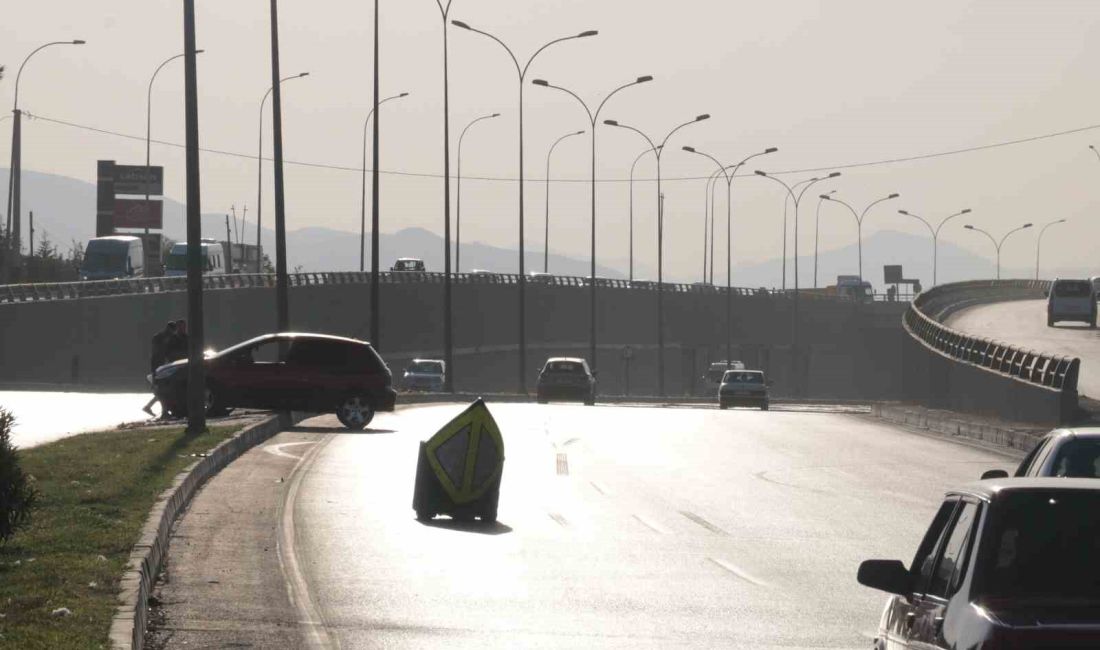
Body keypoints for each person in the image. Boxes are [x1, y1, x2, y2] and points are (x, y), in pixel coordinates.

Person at [143, 322, 177, 416]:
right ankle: (163, 411)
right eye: (172, 331)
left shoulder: (166, 338)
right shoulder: (159, 338)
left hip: (162, 365)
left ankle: (151, 407)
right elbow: (157, 353)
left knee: (162, 390)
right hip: (157, 366)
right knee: (161, 390)